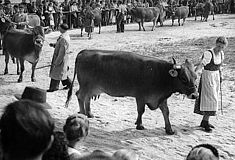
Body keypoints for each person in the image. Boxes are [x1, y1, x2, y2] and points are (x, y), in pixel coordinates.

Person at [194, 36, 228, 132]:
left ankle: (205, 121)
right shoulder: (209, 53)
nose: (219, 49)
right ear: (216, 44)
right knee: (210, 99)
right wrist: (195, 74)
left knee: (214, 99)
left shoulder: (221, 54)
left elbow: (220, 66)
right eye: (218, 46)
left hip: (216, 77)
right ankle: (205, 122)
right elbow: (201, 64)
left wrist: (220, 76)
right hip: (207, 77)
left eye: (222, 47)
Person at [47, 23, 72, 92]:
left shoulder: (64, 38)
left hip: (61, 58)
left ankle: (54, 87)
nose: (58, 28)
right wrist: (54, 45)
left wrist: (57, 62)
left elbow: (62, 52)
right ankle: (69, 84)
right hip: (62, 57)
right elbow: (61, 46)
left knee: (56, 72)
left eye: (59, 27)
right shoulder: (64, 36)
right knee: (62, 72)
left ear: (62, 28)